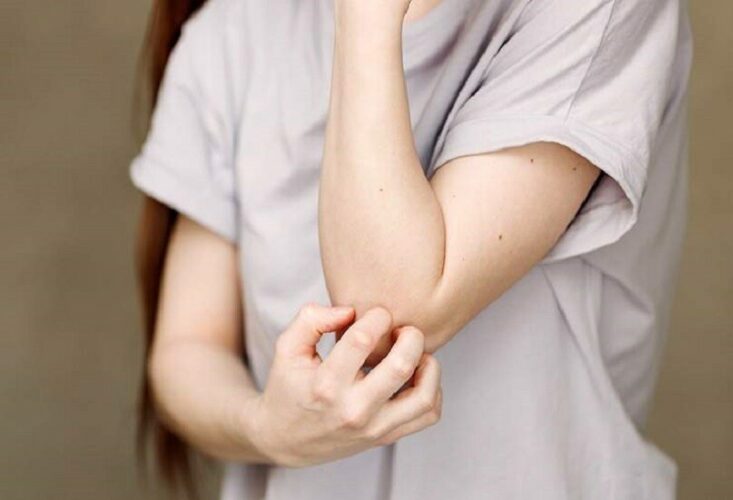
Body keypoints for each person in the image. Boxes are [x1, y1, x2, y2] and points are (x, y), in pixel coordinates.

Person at [129, 0, 693, 498]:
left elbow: (392, 307)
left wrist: (364, 16)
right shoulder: (233, 31)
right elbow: (187, 347)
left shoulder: (592, 9)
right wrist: (265, 427)